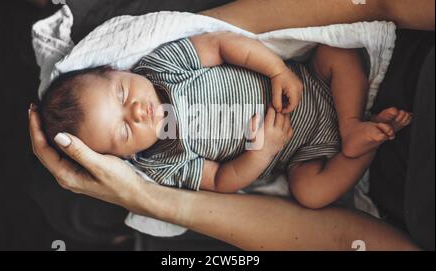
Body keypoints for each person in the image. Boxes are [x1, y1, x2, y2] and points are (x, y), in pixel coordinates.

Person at [29, 0, 434, 250]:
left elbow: (221, 42)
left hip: (308, 82)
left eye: (120, 94)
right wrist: (264, 153)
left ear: (115, 69)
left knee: (337, 54)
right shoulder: (161, 163)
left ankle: (351, 124)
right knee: (311, 193)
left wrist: (276, 71)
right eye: (122, 132)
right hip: (300, 149)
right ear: (124, 157)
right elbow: (223, 179)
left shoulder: (161, 68)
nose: (135, 111)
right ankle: (361, 146)